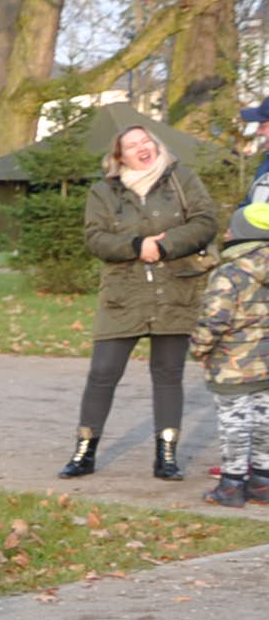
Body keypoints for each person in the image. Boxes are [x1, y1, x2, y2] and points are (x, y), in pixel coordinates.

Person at [64, 119, 218, 481]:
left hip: (176, 290)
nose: (141, 147)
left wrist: (165, 245)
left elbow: (205, 221)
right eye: (132, 145)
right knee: (102, 372)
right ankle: (84, 452)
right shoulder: (104, 192)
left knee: (168, 374)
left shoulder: (182, 178)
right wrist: (137, 246)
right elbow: (95, 239)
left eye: (145, 140)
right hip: (124, 293)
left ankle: (166, 456)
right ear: (119, 157)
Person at [188, 180, 269, 505]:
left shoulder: (230, 274)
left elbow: (215, 319)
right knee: (265, 420)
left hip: (231, 364)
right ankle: (263, 480)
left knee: (235, 422)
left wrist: (199, 347)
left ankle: (233, 483)